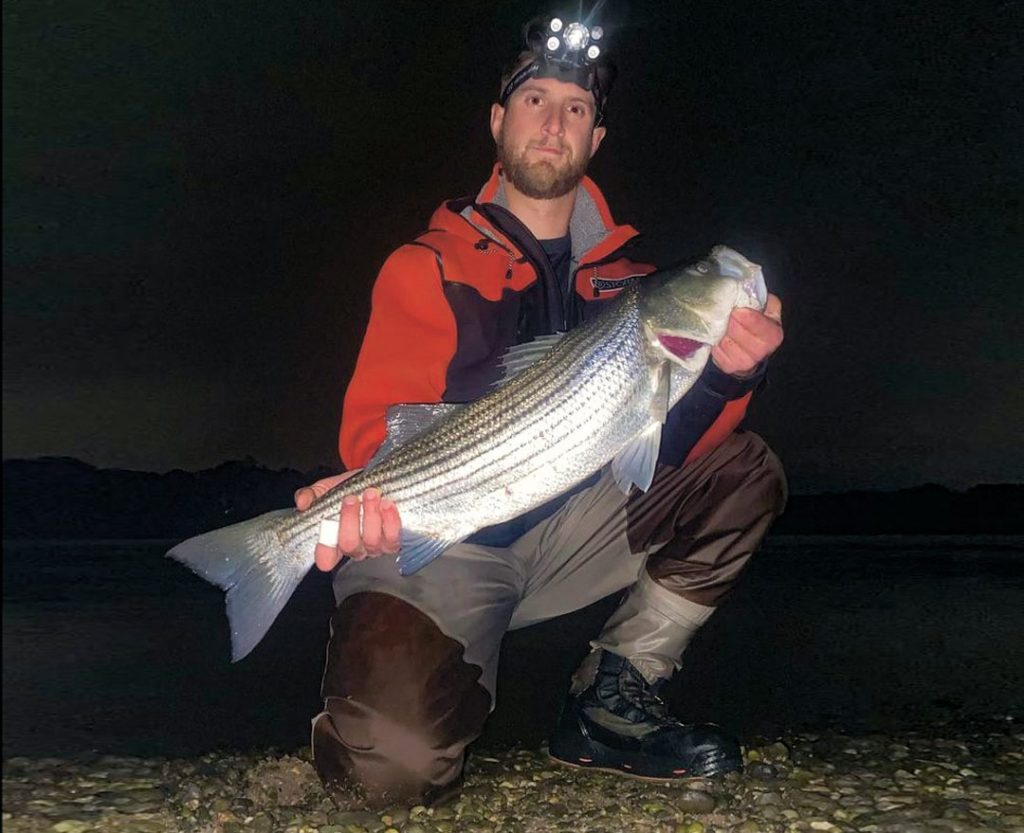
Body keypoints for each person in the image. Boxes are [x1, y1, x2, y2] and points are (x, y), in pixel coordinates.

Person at [294, 12, 786, 809]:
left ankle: (611, 698)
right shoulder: (427, 266)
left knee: (744, 473)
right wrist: (363, 495)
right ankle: (375, 697)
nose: (554, 122)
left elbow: (659, 453)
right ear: (499, 121)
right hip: (444, 537)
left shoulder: (635, 288)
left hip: (569, 527)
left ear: (595, 140)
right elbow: (379, 424)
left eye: (577, 110)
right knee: (390, 775)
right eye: (535, 101)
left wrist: (727, 376)